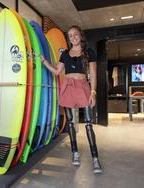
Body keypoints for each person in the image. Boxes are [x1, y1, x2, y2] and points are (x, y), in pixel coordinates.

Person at [41, 25, 102, 174]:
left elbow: (93, 74)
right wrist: (44, 61)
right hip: (67, 87)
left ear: (80, 35)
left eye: (75, 34)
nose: (73, 37)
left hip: (83, 87)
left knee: (88, 124)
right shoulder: (66, 54)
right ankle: (75, 152)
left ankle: (95, 158)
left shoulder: (89, 52)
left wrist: (93, 92)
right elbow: (57, 71)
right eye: (70, 36)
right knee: (70, 123)